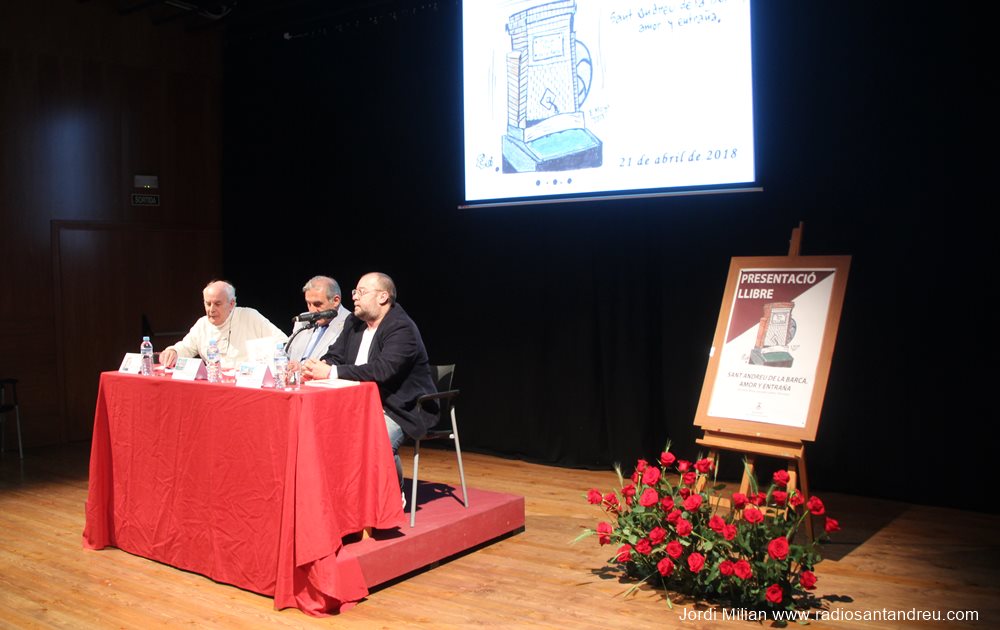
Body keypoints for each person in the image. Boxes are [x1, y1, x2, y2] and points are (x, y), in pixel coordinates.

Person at [302, 272, 437, 495]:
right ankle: (341, 495)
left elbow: (383, 370)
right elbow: (336, 355)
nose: (354, 297)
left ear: (383, 297)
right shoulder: (353, 323)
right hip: (357, 403)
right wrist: (319, 366)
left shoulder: (401, 328)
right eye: (355, 292)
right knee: (321, 432)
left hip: (400, 406)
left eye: (361, 292)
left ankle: (394, 494)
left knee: (375, 440)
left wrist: (331, 372)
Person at [159, 280, 287, 369]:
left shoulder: (249, 316)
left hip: (247, 385)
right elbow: (186, 347)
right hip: (215, 385)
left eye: (217, 304)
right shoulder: (202, 324)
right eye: (208, 304)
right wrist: (173, 351)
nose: (211, 310)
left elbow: (282, 342)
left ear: (232, 304)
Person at [284, 276, 351, 362]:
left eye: (317, 304)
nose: (312, 311)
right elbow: (286, 354)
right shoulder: (302, 320)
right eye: (309, 304)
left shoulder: (351, 324)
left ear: (336, 301)